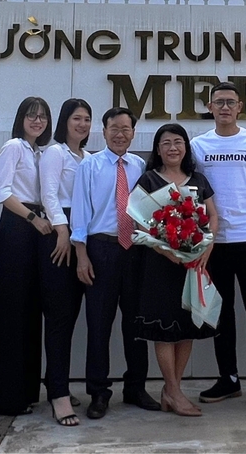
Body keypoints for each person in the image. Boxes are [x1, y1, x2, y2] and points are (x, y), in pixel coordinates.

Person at [191, 81, 246, 412]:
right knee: (221, 315)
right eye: (219, 102)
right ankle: (228, 378)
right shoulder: (198, 145)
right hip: (215, 243)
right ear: (210, 107)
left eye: (230, 102)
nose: (224, 107)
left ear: (240, 107)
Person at [71, 106, 160, 419]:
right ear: (104, 131)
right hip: (101, 250)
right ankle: (98, 391)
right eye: (114, 128)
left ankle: (136, 387)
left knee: (136, 323)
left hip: (135, 250)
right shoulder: (90, 165)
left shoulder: (140, 166)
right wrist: (81, 255)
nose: (120, 134)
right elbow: (80, 212)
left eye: (126, 129)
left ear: (133, 133)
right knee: (99, 323)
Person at [134, 123, 220, 417]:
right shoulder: (148, 180)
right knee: (164, 328)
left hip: (195, 263)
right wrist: (166, 251)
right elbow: (140, 222)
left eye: (178, 142)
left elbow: (212, 216)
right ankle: (172, 390)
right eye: (166, 143)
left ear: (186, 147)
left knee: (186, 327)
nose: (173, 148)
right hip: (161, 264)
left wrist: (206, 247)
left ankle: (173, 390)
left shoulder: (198, 179)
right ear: (158, 150)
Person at [0, 96, 53, 417]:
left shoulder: (41, 152)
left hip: (38, 229)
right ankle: (8, 399)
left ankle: (28, 391)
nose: (37, 121)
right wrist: (32, 219)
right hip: (17, 227)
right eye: (31, 115)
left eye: (42, 116)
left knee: (32, 310)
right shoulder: (13, 147)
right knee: (13, 311)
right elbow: (2, 192)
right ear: (21, 119)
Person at [38, 98, 92, 426]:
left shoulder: (88, 157)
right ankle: (58, 394)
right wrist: (61, 229)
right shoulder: (54, 152)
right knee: (59, 316)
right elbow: (49, 194)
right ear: (64, 121)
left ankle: (57, 382)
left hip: (83, 233)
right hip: (61, 236)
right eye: (76, 118)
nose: (82, 124)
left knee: (71, 317)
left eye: (87, 119)